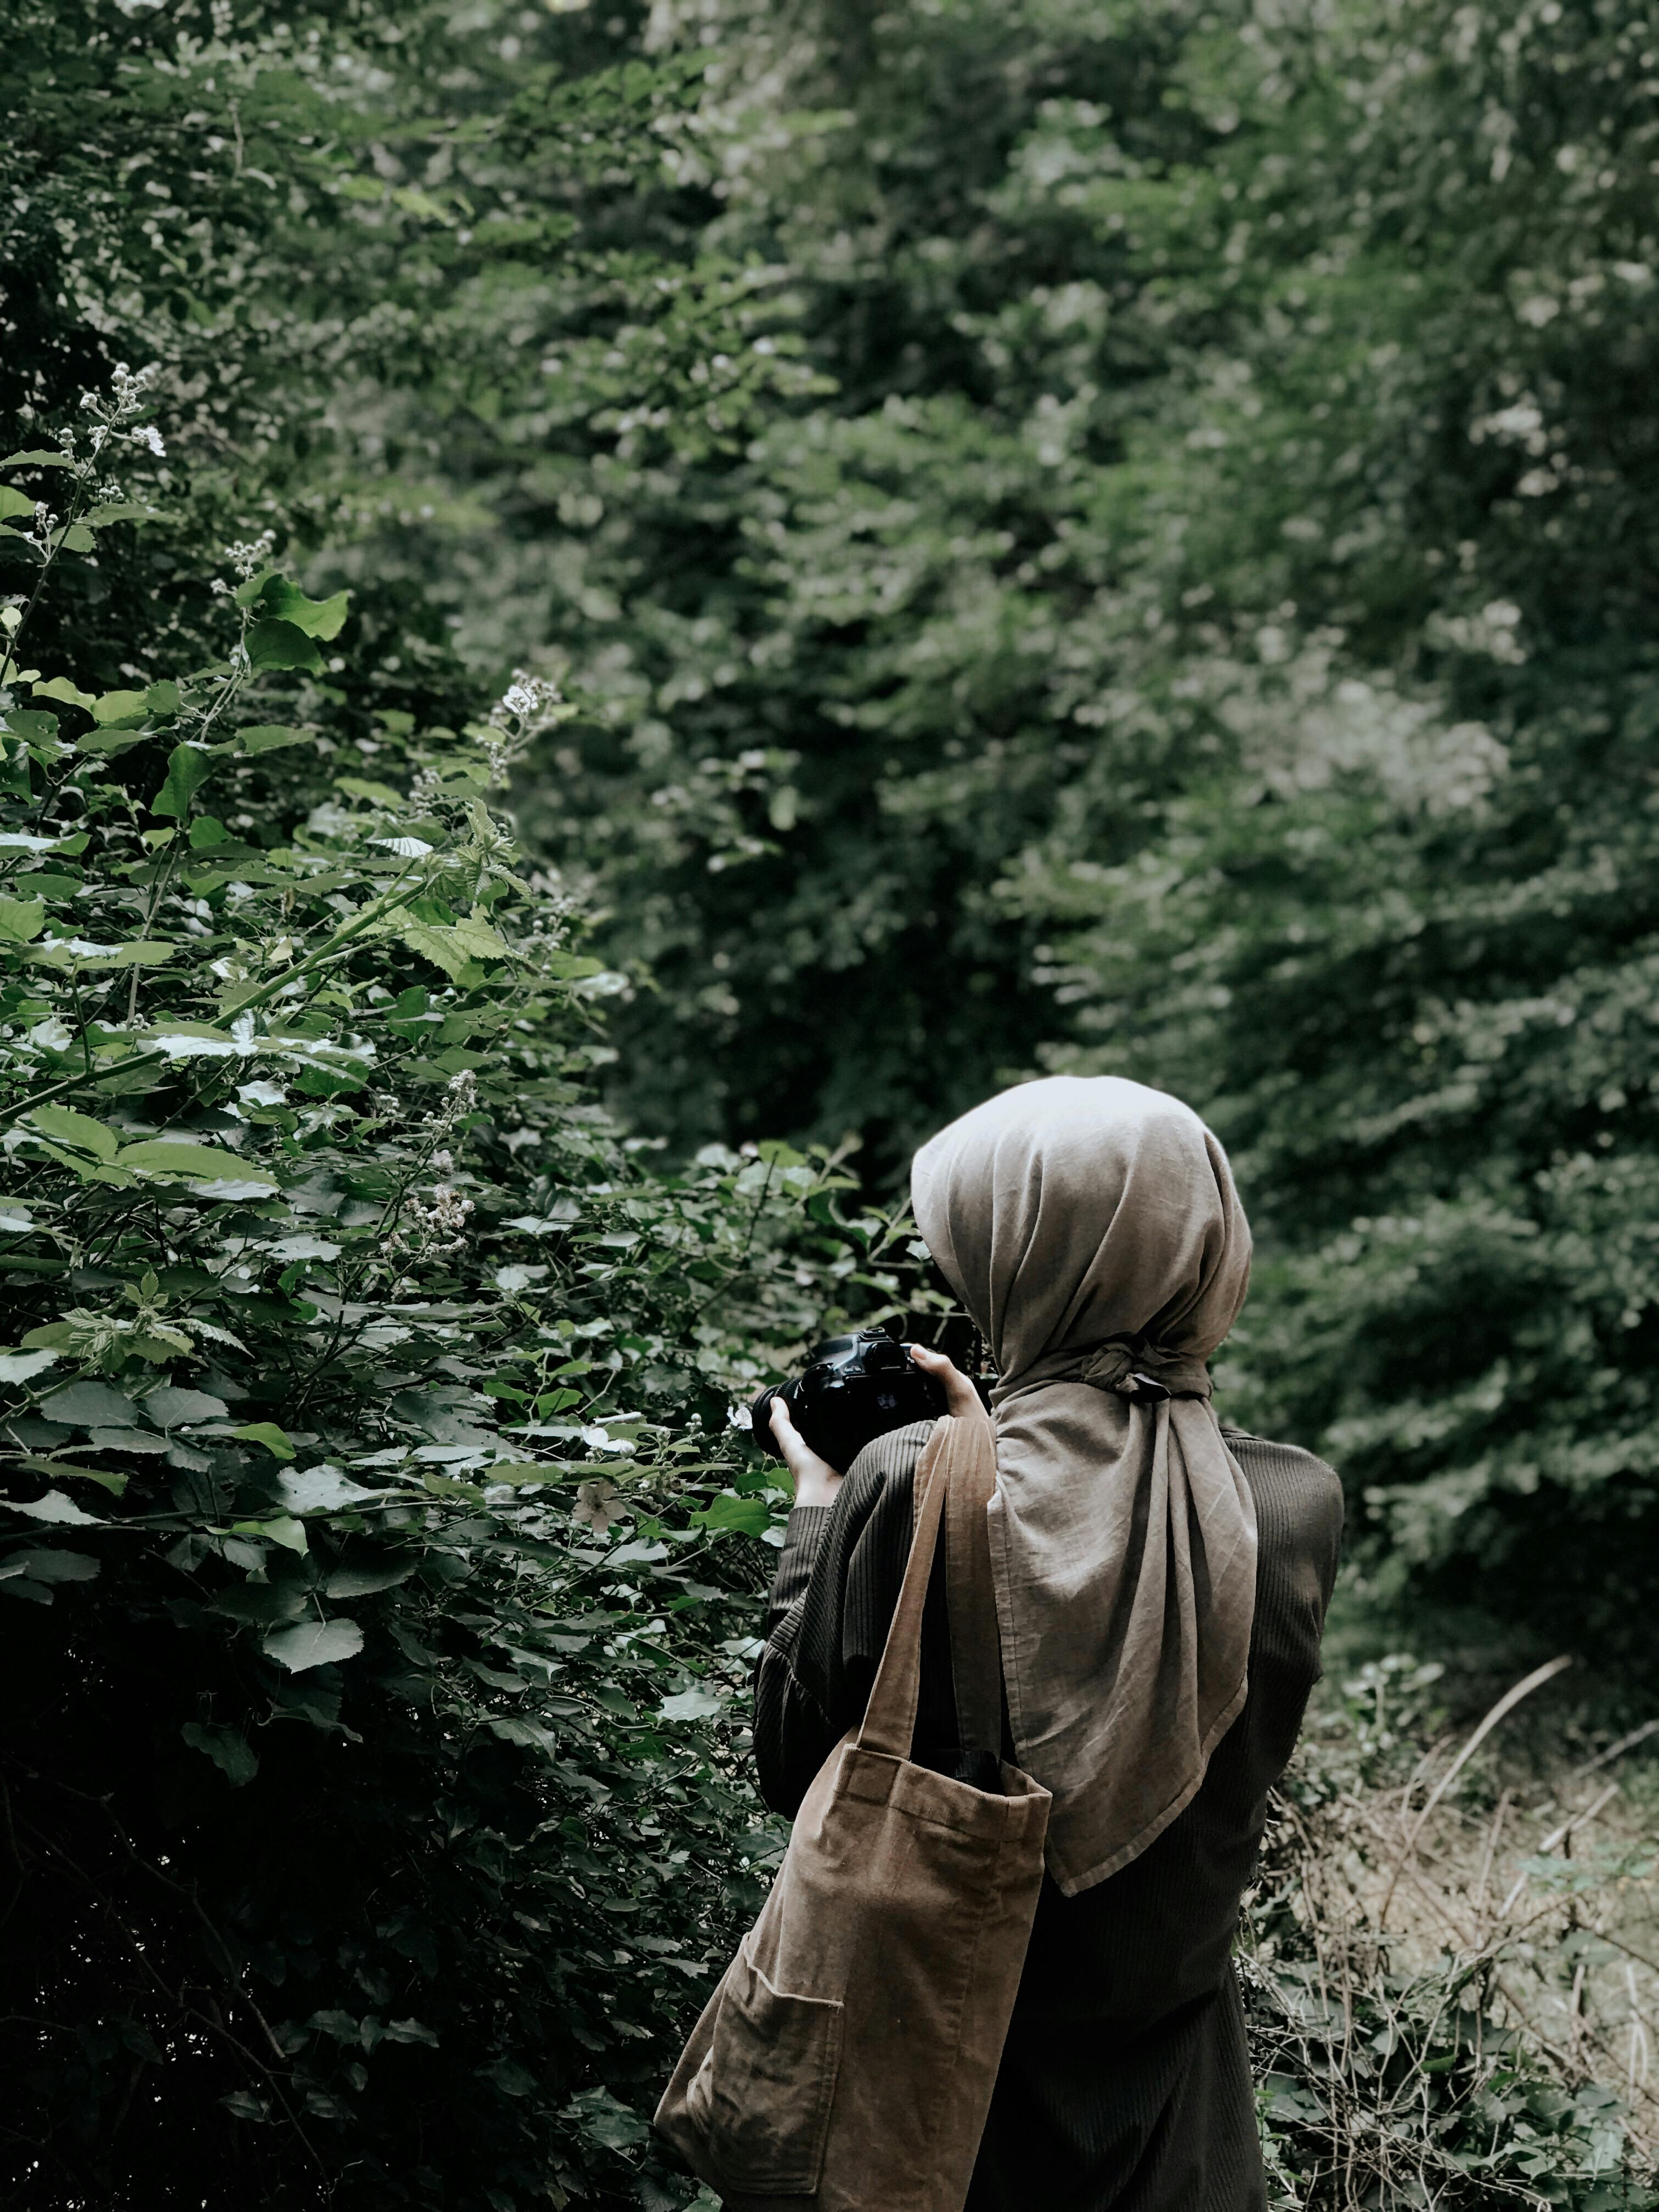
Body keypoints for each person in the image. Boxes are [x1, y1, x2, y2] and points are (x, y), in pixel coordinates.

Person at [754, 1075, 1343, 2212]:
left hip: (941, 2117)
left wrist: (824, 1511)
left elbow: (791, 1761)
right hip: (1179, 2125)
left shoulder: (909, 1480)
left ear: (1014, 1262)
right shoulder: (1295, 1504)